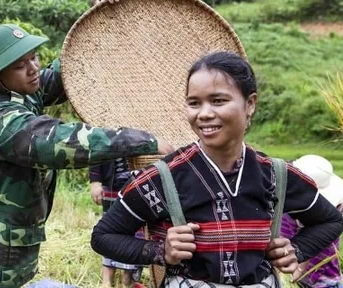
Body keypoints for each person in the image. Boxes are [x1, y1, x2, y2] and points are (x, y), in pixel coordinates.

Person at [0, 0, 175, 288]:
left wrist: (101, 23)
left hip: (12, 251)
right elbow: (58, 141)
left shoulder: (21, 90)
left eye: (34, 57)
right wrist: (143, 141)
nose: (33, 69)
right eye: (20, 65)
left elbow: (71, 69)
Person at [91, 51, 343, 287]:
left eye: (218, 101)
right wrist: (159, 250)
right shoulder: (163, 178)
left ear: (250, 103)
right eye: (194, 103)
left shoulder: (276, 175)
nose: (204, 114)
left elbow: (330, 220)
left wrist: (296, 250)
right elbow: (104, 236)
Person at [280, 154, 343, 288]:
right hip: (293, 268)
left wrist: (294, 274)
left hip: (321, 280)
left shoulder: (327, 221)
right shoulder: (284, 205)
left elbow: (312, 251)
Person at [90, 158, 146, 288]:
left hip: (136, 185)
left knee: (135, 230)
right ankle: (107, 279)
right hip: (111, 185)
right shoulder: (108, 138)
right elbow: (98, 151)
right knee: (109, 230)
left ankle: (127, 279)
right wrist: (95, 181)